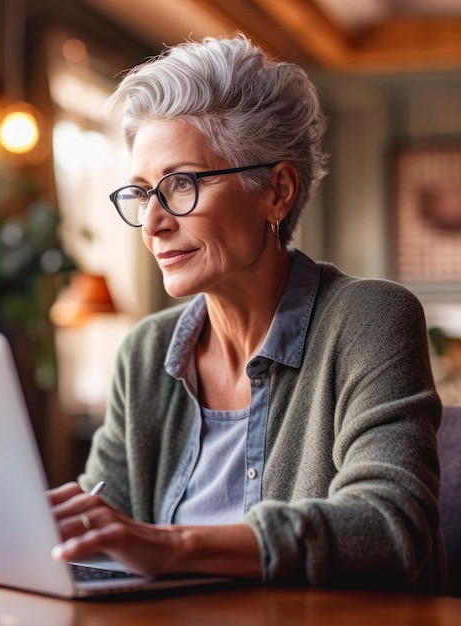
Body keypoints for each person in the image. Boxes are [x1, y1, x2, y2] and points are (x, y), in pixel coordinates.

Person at [48, 32, 445, 593]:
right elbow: (99, 523)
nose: (155, 223)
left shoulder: (369, 319)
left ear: (277, 191)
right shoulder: (146, 352)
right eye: (141, 194)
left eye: (180, 185)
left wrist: (171, 545)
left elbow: (386, 526)